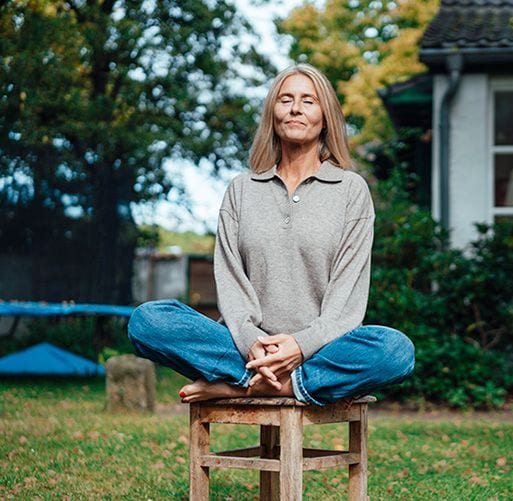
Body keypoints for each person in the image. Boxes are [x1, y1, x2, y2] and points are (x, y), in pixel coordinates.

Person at [127, 64, 415, 405]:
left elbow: (346, 301)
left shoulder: (350, 190)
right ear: (272, 115)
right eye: (285, 99)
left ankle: (252, 384)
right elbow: (231, 283)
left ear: (326, 117)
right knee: (147, 321)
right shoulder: (242, 189)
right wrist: (251, 340)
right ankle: (271, 379)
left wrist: (300, 345)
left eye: (308, 101)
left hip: (321, 350)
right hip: (246, 349)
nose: (295, 108)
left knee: (396, 351)